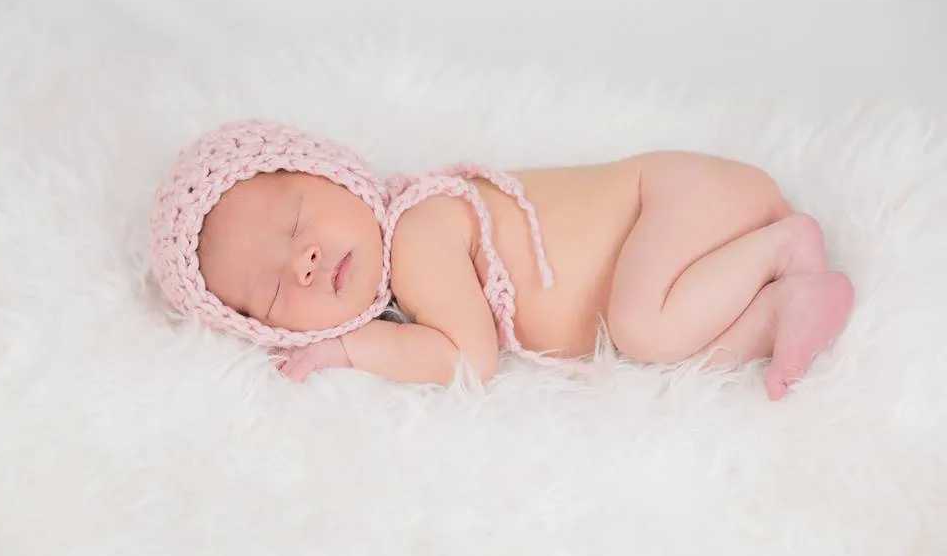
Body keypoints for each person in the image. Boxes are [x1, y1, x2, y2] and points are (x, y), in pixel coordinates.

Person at [149, 119, 854, 401]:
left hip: (673, 201)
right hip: (691, 219)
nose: (302, 259)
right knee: (689, 358)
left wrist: (351, 348)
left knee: (644, 329)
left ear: (336, 172)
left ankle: (782, 246)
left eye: (298, 219)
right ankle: (782, 302)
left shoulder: (418, 230)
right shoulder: (407, 246)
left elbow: (465, 358)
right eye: (276, 288)